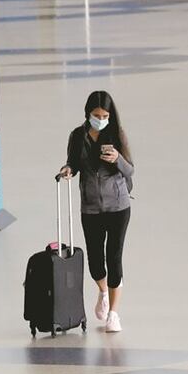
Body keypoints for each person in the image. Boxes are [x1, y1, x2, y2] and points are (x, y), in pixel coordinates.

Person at [57, 91, 134, 332]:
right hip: (90, 207)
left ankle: (114, 313)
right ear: (88, 114)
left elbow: (130, 170)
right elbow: (73, 163)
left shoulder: (117, 134)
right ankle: (102, 292)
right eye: (96, 115)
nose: (101, 119)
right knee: (95, 262)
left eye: (105, 115)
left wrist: (117, 159)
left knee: (114, 256)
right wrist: (68, 170)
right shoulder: (78, 136)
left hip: (118, 205)